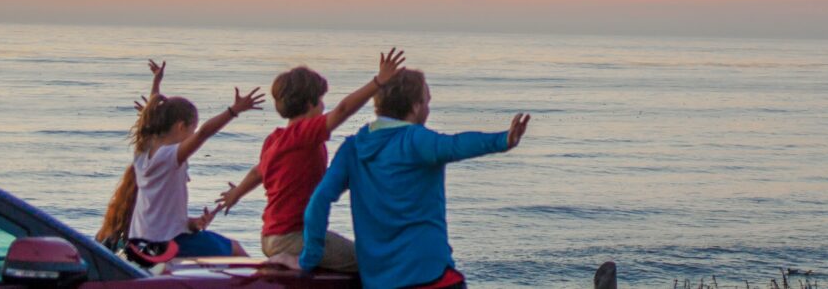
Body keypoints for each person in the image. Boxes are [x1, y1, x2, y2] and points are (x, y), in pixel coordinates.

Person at [299, 65, 530, 288]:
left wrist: (311, 257)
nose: (428, 109)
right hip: (430, 275)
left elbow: (319, 201)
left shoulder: (353, 148)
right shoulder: (415, 140)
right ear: (416, 106)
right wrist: (503, 140)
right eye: (427, 102)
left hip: (379, 281)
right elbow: (456, 144)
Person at [206, 45, 406, 270]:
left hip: (272, 236)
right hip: (293, 238)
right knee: (372, 261)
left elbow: (257, 172)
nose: (324, 106)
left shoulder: (275, 140)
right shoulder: (303, 134)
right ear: (310, 104)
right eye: (321, 100)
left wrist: (236, 193)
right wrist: (378, 82)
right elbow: (342, 110)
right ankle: (294, 261)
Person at [96, 59, 267, 261]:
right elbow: (204, 133)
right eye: (191, 129)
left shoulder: (143, 150)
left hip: (141, 241)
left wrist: (190, 223)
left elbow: (152, 115)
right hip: (166, 244)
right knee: (236, 249)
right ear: (181, 127)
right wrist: (233, 111)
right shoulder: (170, 156)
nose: (193, 134)